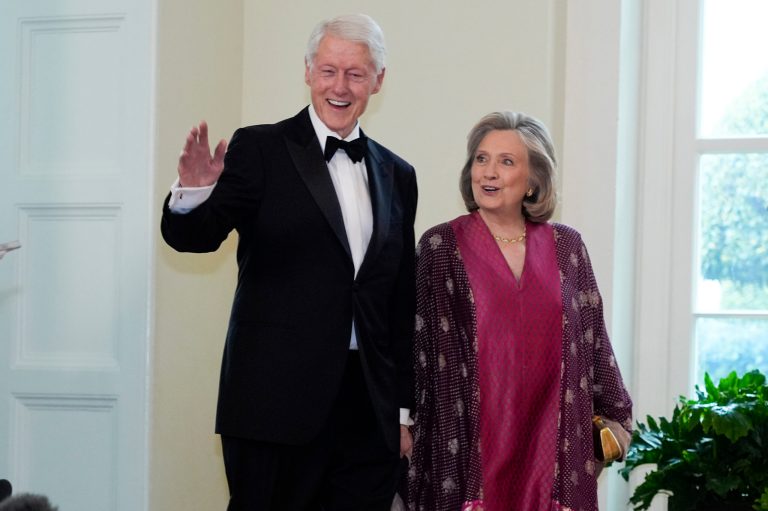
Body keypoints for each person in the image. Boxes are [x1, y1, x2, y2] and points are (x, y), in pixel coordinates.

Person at [160, 13, 417, 511]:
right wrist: (192, 193)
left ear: (378, 80)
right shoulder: (260, 148)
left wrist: (402, 411)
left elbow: (399, 300)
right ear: (307, 72)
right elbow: (195, 238)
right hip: (271, 409)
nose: (339, 87)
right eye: (327, 71)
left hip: (368, 412)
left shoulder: (397, 173)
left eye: (355, 73)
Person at [405, 111, 632, 511]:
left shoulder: (567, 247)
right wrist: (403, 422)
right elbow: (419, 347)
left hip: (553, 448)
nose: (488, 172)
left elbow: (592, 338)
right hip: (469, 450)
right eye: (481, 159)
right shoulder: (441, 246)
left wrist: (614, 415)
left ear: (533, 181)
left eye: (506, 162)